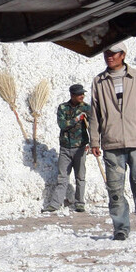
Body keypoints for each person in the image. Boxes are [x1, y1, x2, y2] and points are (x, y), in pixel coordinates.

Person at [88, 42, 136, 240]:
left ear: (123, 55)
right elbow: (95, 113)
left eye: (113, 53)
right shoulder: (99, 81)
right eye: (106, 53)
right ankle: (120, 228)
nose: (109, 56)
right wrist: (94, 140)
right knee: (115, 188)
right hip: (112, 143)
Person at [44, 84, 92, 213]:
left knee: (80, 177)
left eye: (83, 94)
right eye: (79, 94)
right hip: (65, 148)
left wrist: (94, 143)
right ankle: (55, 204)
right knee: (62, 177)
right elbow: (63, 125)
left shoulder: (87, 108)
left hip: (81, 148)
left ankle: (80, 203)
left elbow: (93, 127)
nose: (82, 96)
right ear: (72, 95)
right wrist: (77, 119)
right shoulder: (63, 108)